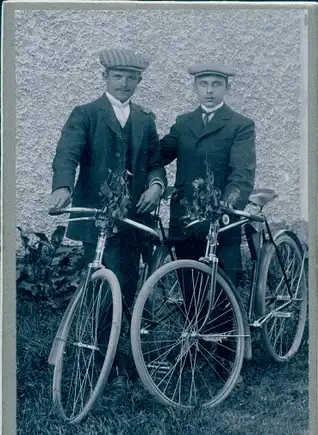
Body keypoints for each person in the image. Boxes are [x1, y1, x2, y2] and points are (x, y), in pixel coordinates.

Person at [50, 48, 167, 388]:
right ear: (105, 79)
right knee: (104, 291)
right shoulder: (86, 114)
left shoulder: (145, 119)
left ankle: (123, 358)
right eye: (118, 76)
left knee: (128, 289)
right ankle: (105, 363)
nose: (124, 83)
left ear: (139, 81)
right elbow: (66, 154)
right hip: (98, 221)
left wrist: (156, 185)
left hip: (134, 219)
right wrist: (62, 188)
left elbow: (156, 160)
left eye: (132, 78)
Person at [160, 62, 256, 286]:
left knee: (222, 294)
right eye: (204, 84)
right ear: (196, 88)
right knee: (189, 291)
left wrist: (229, 202)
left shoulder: (239, 125)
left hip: (220, 220)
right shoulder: (184, 123)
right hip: (186, 220)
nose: (210, 91)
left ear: (227, 88)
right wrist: (143, 121)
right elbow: (158, 155)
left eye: (216, 84)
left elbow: (242, 173)